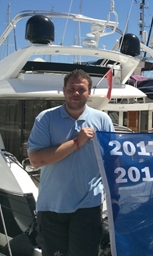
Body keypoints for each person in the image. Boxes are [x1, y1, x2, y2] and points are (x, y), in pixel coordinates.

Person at [27, 69, 115, 256]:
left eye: (81, 89)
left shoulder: (103, 120)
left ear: (89, 92)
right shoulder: (46, 118)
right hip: (52, 206)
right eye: (71, 89)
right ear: (64, 90)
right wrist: (77, 142)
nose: (76, 93)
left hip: (88, 206)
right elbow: (36, 160)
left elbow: (113, 160)